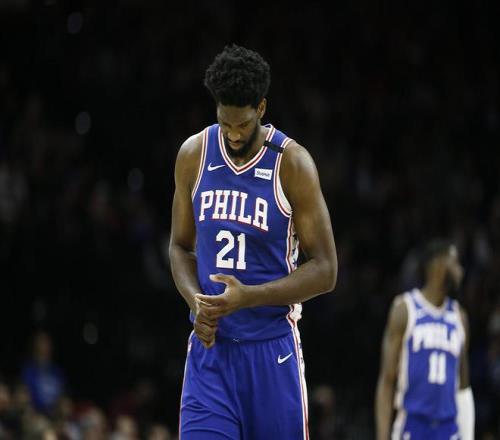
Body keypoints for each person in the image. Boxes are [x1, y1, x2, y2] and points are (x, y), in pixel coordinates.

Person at [169, 44, 337, 439]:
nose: (232, 134)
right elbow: (179, 247)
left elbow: (326, 269)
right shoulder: (194, 154)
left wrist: (249, 297)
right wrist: (195, 300)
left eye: (242, 124)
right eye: (224, 122)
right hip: (211, 354)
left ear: (261, 108)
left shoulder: (291, 164)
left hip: (271, 353)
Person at [375, 240, 475, 440]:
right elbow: (387, 381)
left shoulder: (459, 317)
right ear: (438, 265)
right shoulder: (405, 309)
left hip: (448, 428)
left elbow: (463, 387)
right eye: (455, 263)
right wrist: (382, 436)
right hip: (413, 424)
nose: (460, 271)